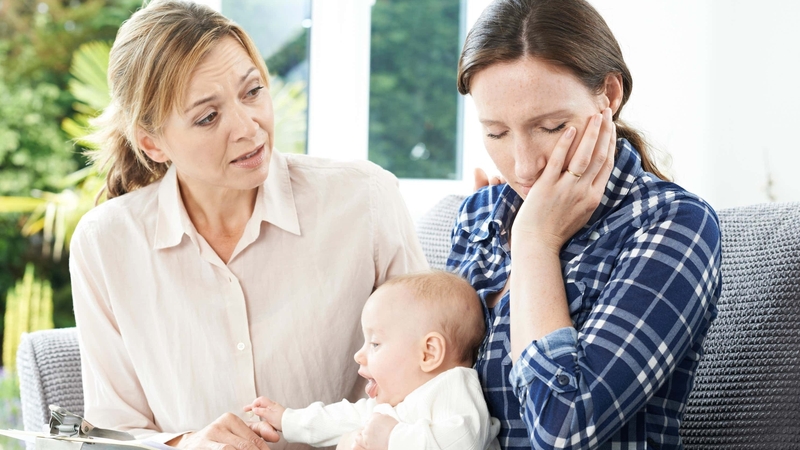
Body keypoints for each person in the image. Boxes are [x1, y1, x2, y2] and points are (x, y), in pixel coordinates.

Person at [68, 1, 427, 449]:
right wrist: (188, 445)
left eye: (252, 91)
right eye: (207, 116)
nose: (247, 127)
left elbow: (432, 383)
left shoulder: (365, 201)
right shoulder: (105, 244)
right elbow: (111, 436)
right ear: (152, 142)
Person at [447, 0, 722, 449]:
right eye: (495, 132)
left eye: (552, 126)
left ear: (609, 95)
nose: (524, 164)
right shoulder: (480, 216)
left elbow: (564, 429)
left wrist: (535, 243)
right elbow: (429, 380)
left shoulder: (673, 224)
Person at [244, 271, 500, 450]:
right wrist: (288, 420)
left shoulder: (452, 387)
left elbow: (465, 440)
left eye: (375, 343)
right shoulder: (392, 406)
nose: (359, 354)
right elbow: (339, 418)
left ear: (428, 353)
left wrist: (392, 438)